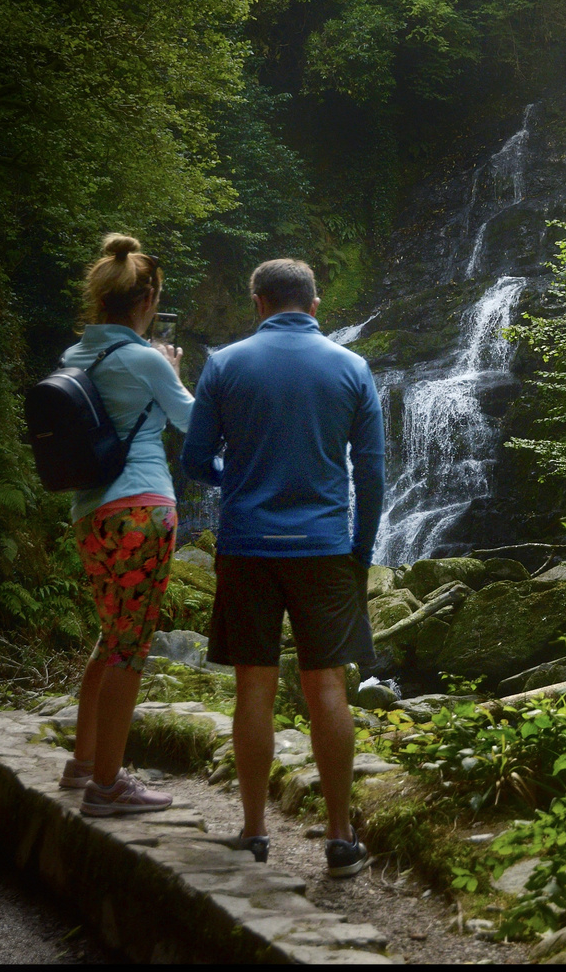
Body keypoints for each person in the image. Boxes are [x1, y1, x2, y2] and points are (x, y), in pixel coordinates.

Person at [180, 258, 385, 877]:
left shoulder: (225, 364)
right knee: (327, 685)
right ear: (315, 306)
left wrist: (235, 480)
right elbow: (371, 475)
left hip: (246, 548)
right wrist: (361, 552)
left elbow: (194, 461)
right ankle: (341, 838)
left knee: (254, 686)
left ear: (259, 303)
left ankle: (251, 831)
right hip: (325, 549)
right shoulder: (353, 367)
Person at [56, 233, 195, 816]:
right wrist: (173, 369)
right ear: (147, 300)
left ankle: (84, 761)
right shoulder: (143, 357)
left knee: (110, 637)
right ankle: (108, 785)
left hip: (91, 512)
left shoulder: (74, 357)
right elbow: (193, 420)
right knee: (130, 648)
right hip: (141, 507)